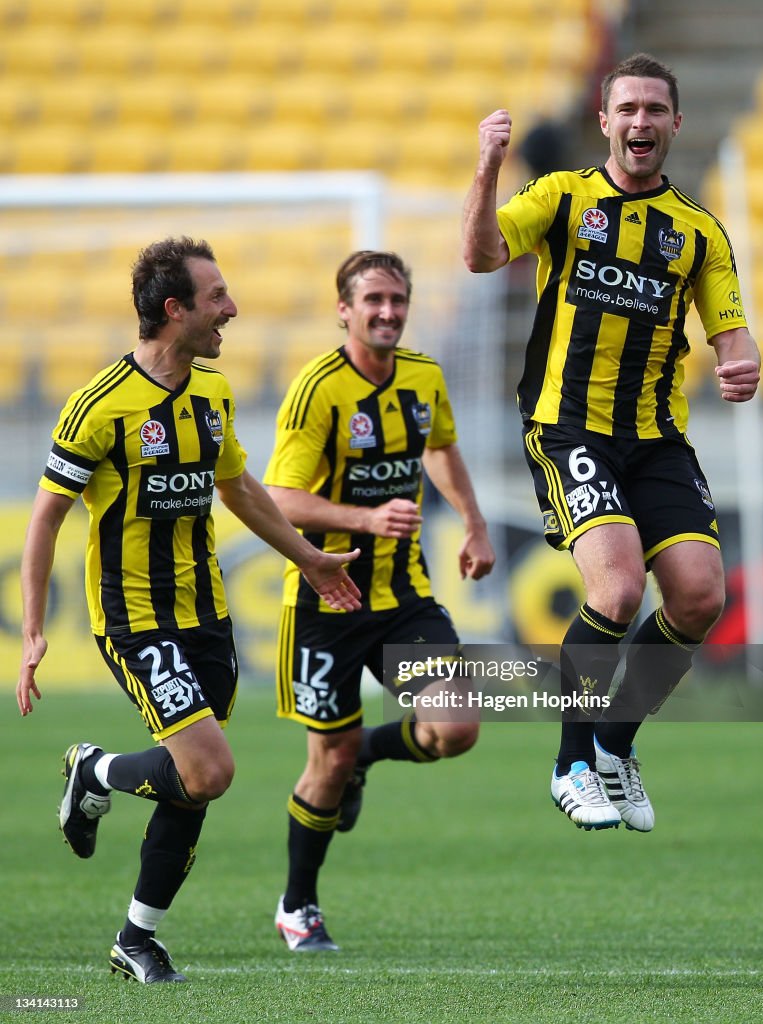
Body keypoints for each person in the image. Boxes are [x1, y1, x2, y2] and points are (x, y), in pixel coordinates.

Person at [16, 237, 361, 983]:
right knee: (208, 771)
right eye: (216, 299)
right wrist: (36, 628)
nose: (230, 311)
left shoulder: (212, 394)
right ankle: (97, 771)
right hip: (134, 618)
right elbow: (45, 517)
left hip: (208, 615)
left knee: (191, 780)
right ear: (174, 311)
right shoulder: (100, 406)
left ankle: (136, 937)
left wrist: (304, 555)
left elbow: (238, 488)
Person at [463, 53, 760, 832]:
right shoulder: (561, 198)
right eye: (625, 109)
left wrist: (742, 365)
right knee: (619, 590)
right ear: (604, 121)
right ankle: (568, 765)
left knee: (699, 599)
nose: (639, 122)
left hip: (657, 439)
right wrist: (487, 167)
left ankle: (614, 747)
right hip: (568, 428)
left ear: (673, 124)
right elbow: (483, 254)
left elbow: (732, 335)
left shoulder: (696, 232)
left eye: (653, 110)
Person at [263, 250, 495, 950]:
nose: (387, 312)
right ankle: (297, 906)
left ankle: (368, 747)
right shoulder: (316, 391)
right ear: (344, 310)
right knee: (324, 764)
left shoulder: (423, 375)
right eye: (373, 301)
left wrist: (474, 522)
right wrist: (364, 520)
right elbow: (277, 499)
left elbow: (442, 447)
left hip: (403, 595)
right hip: (325, 601)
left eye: (397, 299)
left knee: (455, 726)